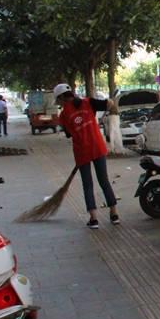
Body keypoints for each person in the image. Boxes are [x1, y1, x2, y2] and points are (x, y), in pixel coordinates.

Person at [55, 84, 119, 229]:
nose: (58, 103)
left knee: (87, 184)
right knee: (104, 180)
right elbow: (109, 103)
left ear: (62, 97)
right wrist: (108, 104)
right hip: (97, 146)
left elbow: (69, 134)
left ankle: (94, 219)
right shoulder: (87, 102)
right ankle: (114, 214)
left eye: (58, 100)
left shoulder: (64, 115)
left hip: (82, 150)